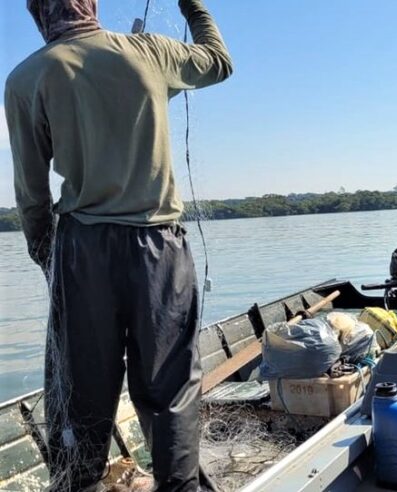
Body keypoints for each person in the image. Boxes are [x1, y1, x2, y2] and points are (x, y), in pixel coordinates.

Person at [5, 1, 232, 490]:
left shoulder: (26, 78)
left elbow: (31, 191)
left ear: (37, 14)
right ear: (91, 4)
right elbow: (219, 60)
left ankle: (80, 482)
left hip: (82, 252)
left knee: (82, 390)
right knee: (170, 389)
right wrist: (193, 6)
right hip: (160, 251)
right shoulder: (148, 52)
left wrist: (48, 256)